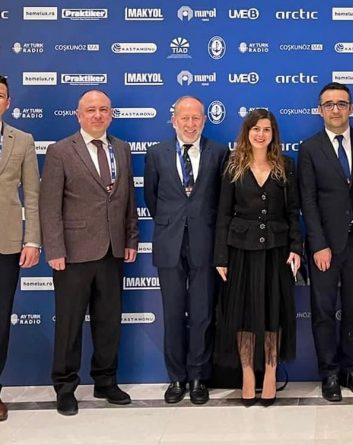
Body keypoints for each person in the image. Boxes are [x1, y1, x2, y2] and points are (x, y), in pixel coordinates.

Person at [40, 89, 139, 416]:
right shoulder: (60, 151)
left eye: (104, 110)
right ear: (79, 115)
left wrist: (131, 239)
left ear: (111, 114)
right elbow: (49, 205)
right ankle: (65, 386)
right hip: (72, 253)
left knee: (108, 321)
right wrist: (55, 248)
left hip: (112, 250)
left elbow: (128, 199)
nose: (98, 115)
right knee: (69, 324)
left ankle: (106, 381)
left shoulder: (121, 148)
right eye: (91, 110)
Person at [213, 109, 301, 406]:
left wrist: (296, 247)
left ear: (273, 134)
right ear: (246, 133)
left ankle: (271, 374)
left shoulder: (286, 166)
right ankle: (248, 374)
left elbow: (293, 213)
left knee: (274, 313)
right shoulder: (233, 166)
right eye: (255, 129)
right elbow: (223, 214)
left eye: (266, 129)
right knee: (243, 315)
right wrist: (221, 256)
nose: (260, 134)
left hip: (277, 251)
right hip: (241, 251)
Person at [144, 96, 229, 404]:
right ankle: (177, 378)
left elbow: (223, 201)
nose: (190, 124)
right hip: (169, 244)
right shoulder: (157, 154)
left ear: (204, 120)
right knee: (173, 314)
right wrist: (173, 224)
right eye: (185, 118)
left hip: (206, 244)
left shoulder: (219, 152)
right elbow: (152, 198)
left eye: (196, 118)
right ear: (174, 120)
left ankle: (198, 377)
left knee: (203, 314)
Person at [298, 83, 353, 401]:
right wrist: (318, 244)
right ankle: (329, 373)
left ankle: (351, 370)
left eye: (342, 103)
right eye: (329, 104)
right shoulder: (309, 148)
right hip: (325, 245)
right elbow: (308, 200)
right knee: (323, 311)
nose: (336, 109)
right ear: (320, 110)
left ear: (351, 108)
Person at [0, 75, 40, 421]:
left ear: (8, 102)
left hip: (7, 242)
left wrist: (32, 239)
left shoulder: (22, 140)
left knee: (0, 320)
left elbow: (33, 194)